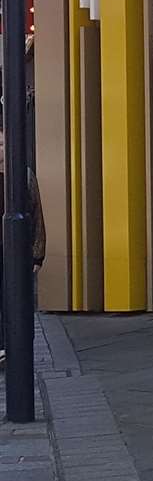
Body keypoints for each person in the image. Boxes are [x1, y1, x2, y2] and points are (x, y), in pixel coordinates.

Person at [0, 129, 44, 366]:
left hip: (15, 252)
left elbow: (37, 216)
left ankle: (15, 346)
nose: (1, 149)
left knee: (17, 300)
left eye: (3, 143)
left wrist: (37, 255)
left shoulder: (24, 177)